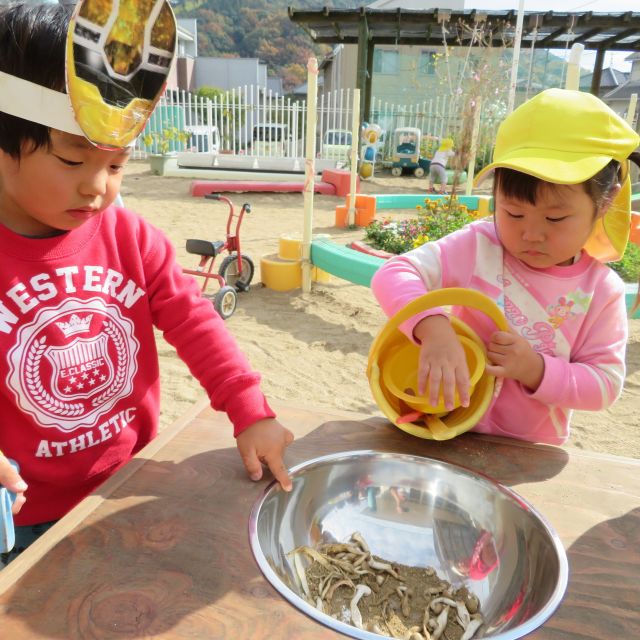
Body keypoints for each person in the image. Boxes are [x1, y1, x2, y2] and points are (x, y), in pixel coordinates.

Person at [0, 3, 293, 567]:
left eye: (117, 166)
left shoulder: (129, 236)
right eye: (71, 158)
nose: (96, 187)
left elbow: (194, 318)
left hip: (127, 481)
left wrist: (248, 409)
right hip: (23, 513)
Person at [372, 88, 640, 445]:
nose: (531, 234)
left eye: (555, 218)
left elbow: (604, 385)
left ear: (603, 204)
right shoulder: (480, 246)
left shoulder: (600, 291)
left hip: (527, 451)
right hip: (446, 430)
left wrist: (535, 369)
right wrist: (432, 327)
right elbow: (393, 273)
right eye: (513, 213)